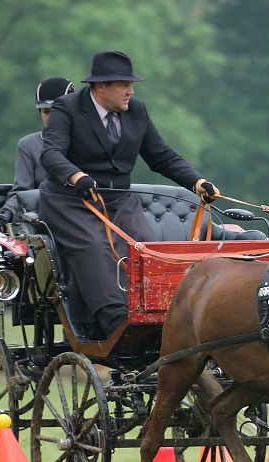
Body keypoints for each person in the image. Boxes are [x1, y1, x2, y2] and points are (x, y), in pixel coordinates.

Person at [39, 51, 220, 338]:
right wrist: (77, 176)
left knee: (144, 248)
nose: (130, 92)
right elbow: (51, 154)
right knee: (93, 246)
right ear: (101, 86)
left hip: (119, 198)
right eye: (124, 85)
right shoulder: (67, 108)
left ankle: (160, 313)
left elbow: (162, 156)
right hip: (70, 200)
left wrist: (197, 182)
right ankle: (114, 319)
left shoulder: (137, 110)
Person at [0, 78, 77, 232]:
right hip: (46, 224)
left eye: (57, 112)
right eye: (46, 112)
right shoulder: (29, 145)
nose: (52, 118)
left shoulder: (92, 141)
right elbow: (22, 192)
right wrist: (6, 213)